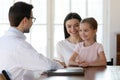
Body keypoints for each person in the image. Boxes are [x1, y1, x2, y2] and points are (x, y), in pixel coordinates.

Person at [0, 1, 63, 80]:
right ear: (25, 21)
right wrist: (60, 65)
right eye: (32, 19)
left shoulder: (3, 40)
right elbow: (48, 65)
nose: (32, 23)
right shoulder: (19, 45)